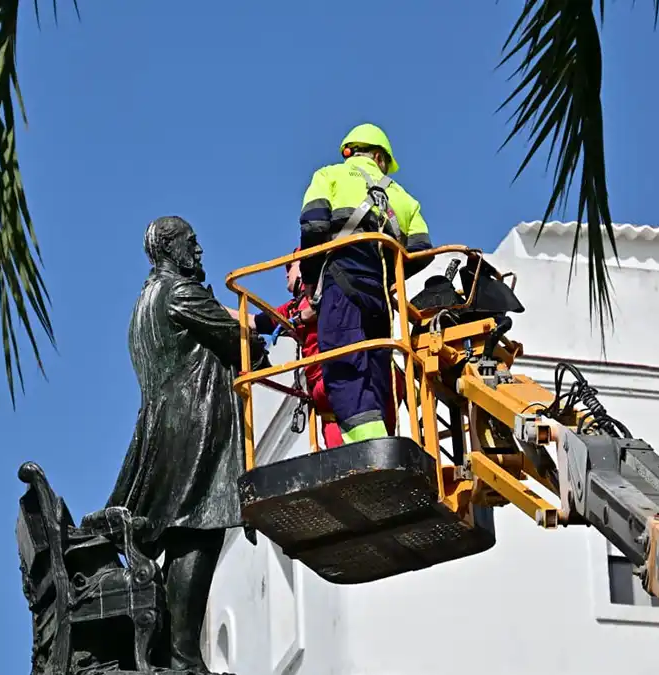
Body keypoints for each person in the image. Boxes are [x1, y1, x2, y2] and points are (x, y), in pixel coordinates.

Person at [107, 215, 265, 674]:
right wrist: (263, 333)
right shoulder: (178, 292)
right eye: (191, 244)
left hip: (164, 428)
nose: (199, 251)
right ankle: (182, 654)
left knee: (182, 531)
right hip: (196, 426)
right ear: (170, 248)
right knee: (198, 527)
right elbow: (236, 338)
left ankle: (176, 650)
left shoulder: (144, 302)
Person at [297, 123, 433, 443]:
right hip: (380, 295)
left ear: (352, 152)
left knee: (343, 365)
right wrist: (388, 275)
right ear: (380, 158)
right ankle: (385, 441)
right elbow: (422, 251)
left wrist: (310, 279)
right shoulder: (404, 198)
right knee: (377, 369)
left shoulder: (328, 175)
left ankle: (368, 445)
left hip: (341, 282)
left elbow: (314, 225)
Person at [227, 254, 344, 449]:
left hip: (339, 378)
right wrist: (213, 306)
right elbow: (254, 321)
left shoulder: (327, 289)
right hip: (323, 391)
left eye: (289, 267)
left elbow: (323, 306)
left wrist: (300, 319)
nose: (285, 274)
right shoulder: (294, 307)